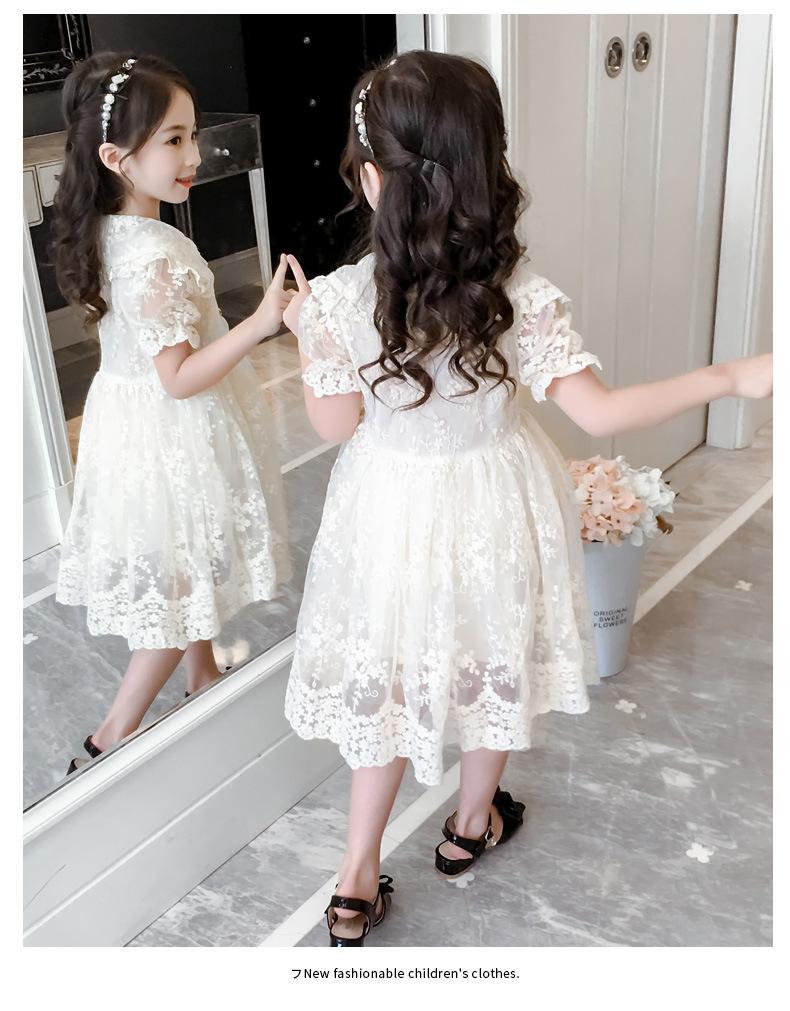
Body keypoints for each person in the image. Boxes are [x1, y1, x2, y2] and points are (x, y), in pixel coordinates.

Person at [282, 49, 772, 946]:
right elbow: (605, 411)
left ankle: (353, 880)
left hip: (390, 512)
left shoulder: (338, 302)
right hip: (497, 505)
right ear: (485, 173)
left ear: (369, 178)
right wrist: (730, 375)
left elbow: (333, 422)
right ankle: (471, 823)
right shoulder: (514, 294)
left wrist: (306, 336)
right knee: (493, 658)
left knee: (390, 680)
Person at [51, 52, 293, 775]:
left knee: (186, 558)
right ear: (116, 158)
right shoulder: (153, 253)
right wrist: (260, 323)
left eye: (194, 135)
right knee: (180, 582)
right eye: (174, 140)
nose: (195, 155)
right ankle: (108, 739)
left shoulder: (112, 230)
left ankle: (203, 673)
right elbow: (180, 377)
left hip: (133, 426)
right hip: (169, 431)